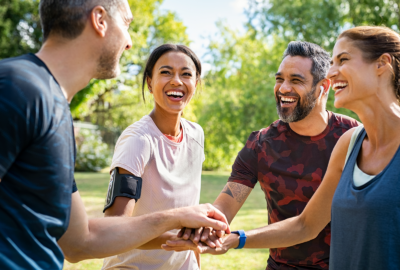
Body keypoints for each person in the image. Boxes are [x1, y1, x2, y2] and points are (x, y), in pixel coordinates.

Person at [165, 26, 400, 269]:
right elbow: (301, 224)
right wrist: (208, 231)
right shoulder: (270, 144)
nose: (283, 88)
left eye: (343, 61)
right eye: (280, 79)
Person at [0, 1, 229, 269]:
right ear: (99, 19)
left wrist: (181, 220)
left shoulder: (56, 109)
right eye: (127, 24)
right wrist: (179, 218)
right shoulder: (17, 88)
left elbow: (79, 242)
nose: (129, 42)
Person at [171, 41, 359, 269]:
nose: (283, 88)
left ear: (323, 87)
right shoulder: (260, 145)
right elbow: (224, 208)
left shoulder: (355, 138)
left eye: (296, 80)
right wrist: (202, 228)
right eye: (279, 79)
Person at [101, 44, 207, 270]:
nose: (177, 81)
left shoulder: (196, 135)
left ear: (195, 84)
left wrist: (193, 252)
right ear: (150, 83)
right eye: (166, 72)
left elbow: (189, 210)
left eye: (186, 74)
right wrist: (184, 239)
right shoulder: (138, 140)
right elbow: (114, 228)